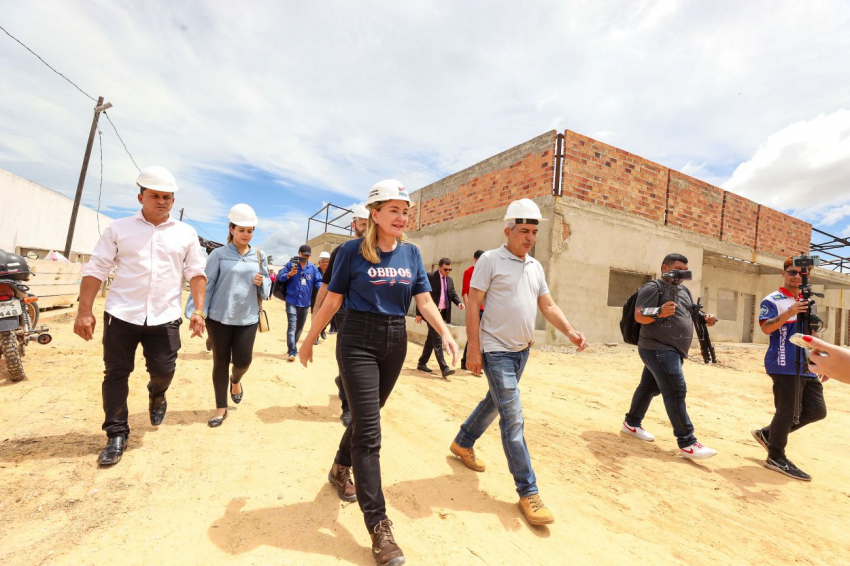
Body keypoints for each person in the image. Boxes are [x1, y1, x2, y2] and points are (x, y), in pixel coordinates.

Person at [300, 180, 458, 566]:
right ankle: (379, 527)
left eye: (405, 211)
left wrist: (445, 331)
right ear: (374, 214)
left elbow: (422, 298)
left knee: (365, 418)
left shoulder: (411, 253)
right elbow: (334, 298)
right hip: (356, 339)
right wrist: (310, 337)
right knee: (370, 434)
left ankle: (340, 467)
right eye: (394, 210)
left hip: (394, 341)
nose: (402, 217)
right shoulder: (351, 252)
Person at [450, 198, 587, 527]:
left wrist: (569, 331)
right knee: (513, 420)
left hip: (522, 351)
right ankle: (529, 491)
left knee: (495, 402)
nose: (529, 237)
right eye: (524, 231)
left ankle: (463, 441)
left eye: (534, 231)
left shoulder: (535, 267)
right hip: (496, 350)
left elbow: (548, 304)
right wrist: (473, 348)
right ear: (507, 230)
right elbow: (473, 304)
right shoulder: (491, 261)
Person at [74, 166, 207, 466]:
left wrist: (199, 311)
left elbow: (196, 273)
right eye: (155, 196)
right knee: (116, 373)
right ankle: (116, 434)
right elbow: (96, 269)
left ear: (173, 201)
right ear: (141, 197)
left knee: (164, 370)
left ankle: (157, 393)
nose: (161, 201)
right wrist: (85, 312)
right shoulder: (118, 229)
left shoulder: (186, 234)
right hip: (122, 314)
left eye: (167, 197)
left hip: (165, 316)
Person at [621, 253, 719, 461]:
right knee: (675, 391)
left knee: (650, 387)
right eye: (677, 268)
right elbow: (640, 314)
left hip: (672, 350)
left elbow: (689, 312)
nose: (682, 273)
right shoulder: (653, 288)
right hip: (657, 348)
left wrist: (704, 317)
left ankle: (632, 423)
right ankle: (688, 442)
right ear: (665, 268)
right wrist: (659, 311)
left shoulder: (683, 290)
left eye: (685, 269)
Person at [187, 204, 271, 427]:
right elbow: (206, 283)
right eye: (241, 230)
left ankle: (236, 381)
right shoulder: (218, 255)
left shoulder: (259, 256)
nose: (246, 235)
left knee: (243, 360)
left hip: (248, 318)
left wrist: (263, 283)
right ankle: (220, 408)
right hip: (219, 318)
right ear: (231, 229)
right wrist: (198, 312)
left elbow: (268, 285)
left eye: (250, 230)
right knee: (220, 362)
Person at [751, 258, 827, 481]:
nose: (797, 276)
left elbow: (813, 334)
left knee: (816, 411)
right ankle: (776, 456)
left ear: (808, 276)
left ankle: (768, 434)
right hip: (783, 363)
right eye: (792, 272)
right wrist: (789, 312)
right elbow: (765, 328)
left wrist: (822, 359)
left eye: (802, 273)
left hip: (806, 365)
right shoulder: (773, 300)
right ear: (784, 273)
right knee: (786, 412)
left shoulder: (808, 301)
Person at [313, 204, 370, 427]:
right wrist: (317, 313)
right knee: (347, 363)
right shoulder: (343, 250)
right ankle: (347, 408)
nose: (366, 229)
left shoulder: (381, 249)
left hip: (371, 316)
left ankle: (344, 384)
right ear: (353, 224)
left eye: (369, 225)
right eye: (362, 225)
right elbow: (326, 286)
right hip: (346, 313)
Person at [416, 257, 464, 378]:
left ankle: (422, 363)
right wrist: (419, 313)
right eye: (445, 269)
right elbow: (421, 294)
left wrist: (459, 302)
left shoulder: (450, 280)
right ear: (439, 267)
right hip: (430, 313)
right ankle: (444, 368)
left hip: (442, 313)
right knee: (438, 337)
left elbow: (452, 294)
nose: (448, 272)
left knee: (431, 339)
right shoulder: (430, 277)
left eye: (450, 269)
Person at [281, 245, 322, 361]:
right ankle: (292, 351)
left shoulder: (313, 269)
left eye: (308, 255)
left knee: (299, 328)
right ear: (299, 254)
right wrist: (289, 274)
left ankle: (293, 346)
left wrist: (325, 292)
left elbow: (319, 282)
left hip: (305, 303)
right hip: (291, 301)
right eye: (303, 255)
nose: (305, 257)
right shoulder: (291, 265)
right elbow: (281, 278)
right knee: (292, 326)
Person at [460, 249, 485, 371]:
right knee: (474, 335)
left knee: (481, 336)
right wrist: (469, 309)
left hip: (485, 308)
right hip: (474, 308)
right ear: (475, 260)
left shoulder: (486, 272)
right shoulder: (468, 272)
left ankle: (471, 362)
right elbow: (465, 291)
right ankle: (465, 361)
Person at [311, 251, 331, 344]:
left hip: (328, 299)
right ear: (319, 262)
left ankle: (322, 329)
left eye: (327, 262)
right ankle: (315, 336)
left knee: (327, 318)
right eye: (323, 261)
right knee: (315, 317)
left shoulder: (332, 273)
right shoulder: (315, 271)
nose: (325, 263)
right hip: (316, 299)